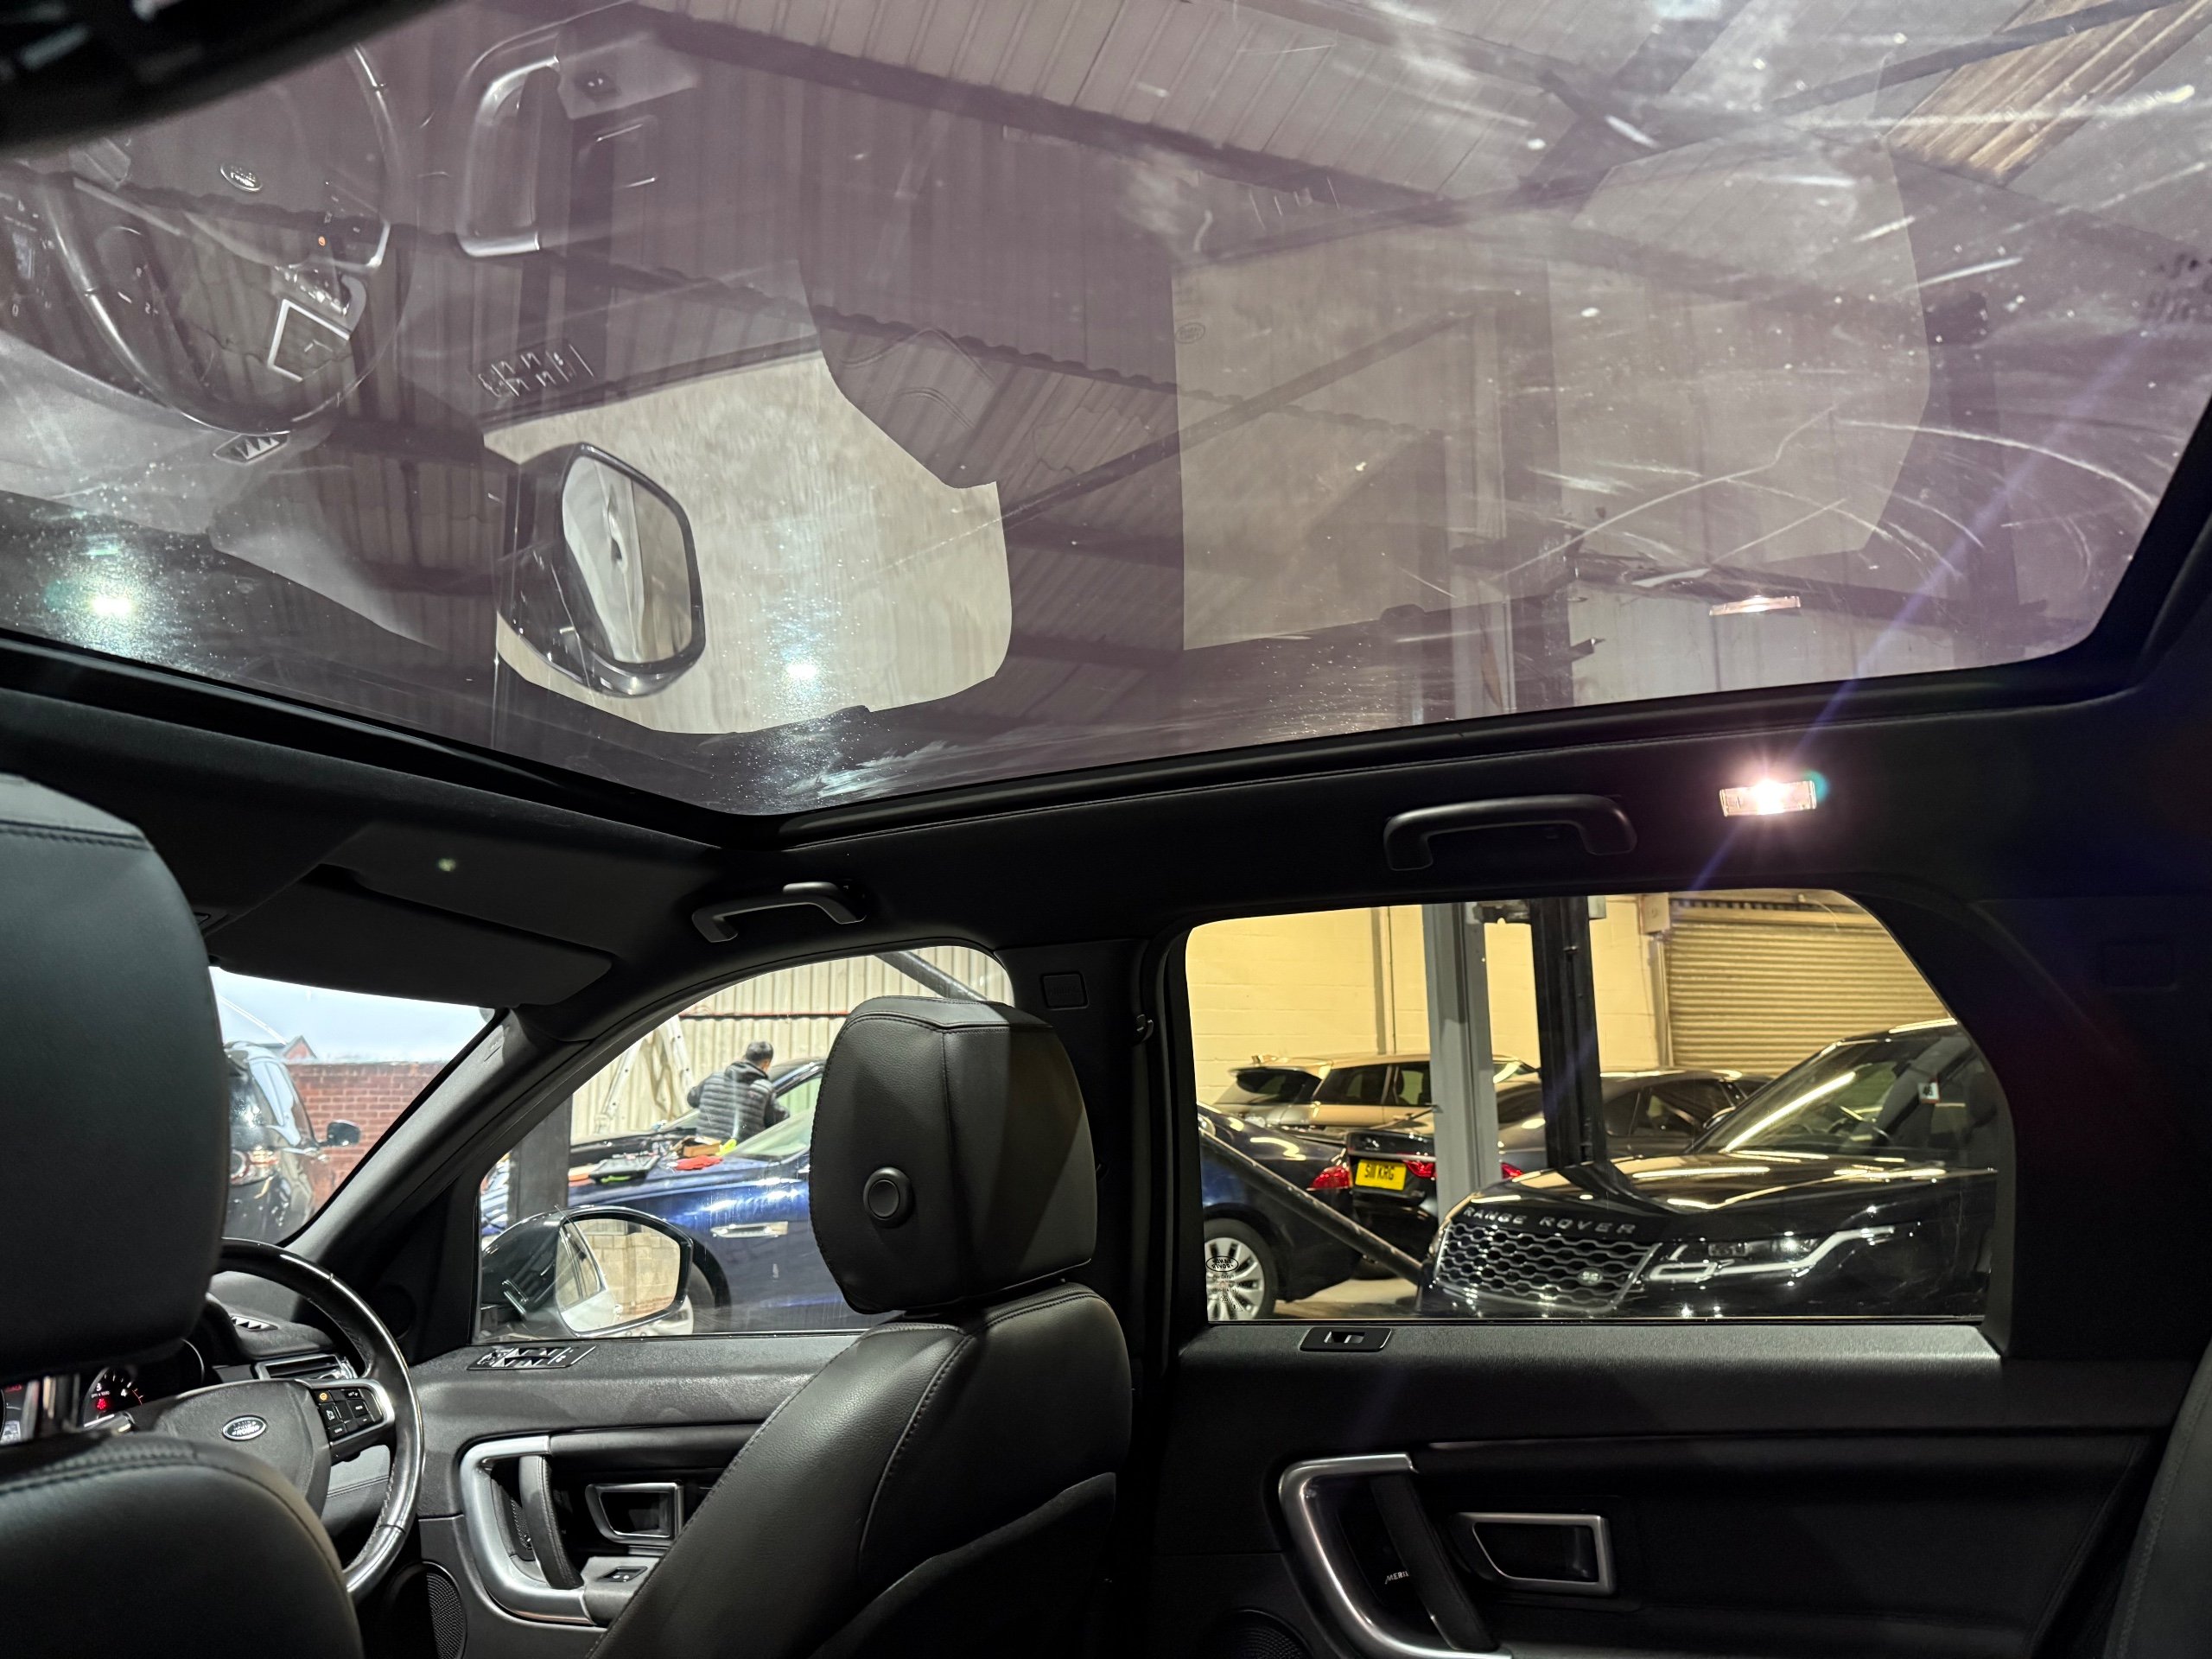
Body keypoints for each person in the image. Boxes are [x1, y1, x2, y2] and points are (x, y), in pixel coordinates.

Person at [686, 1039, 775, 1142]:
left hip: (704, 1147)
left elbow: (692, 1098)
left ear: (744, 1057)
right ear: (766, 1063)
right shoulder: (764, 1089)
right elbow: (776, 1120)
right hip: (737, 1150)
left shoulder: (714, 1078)